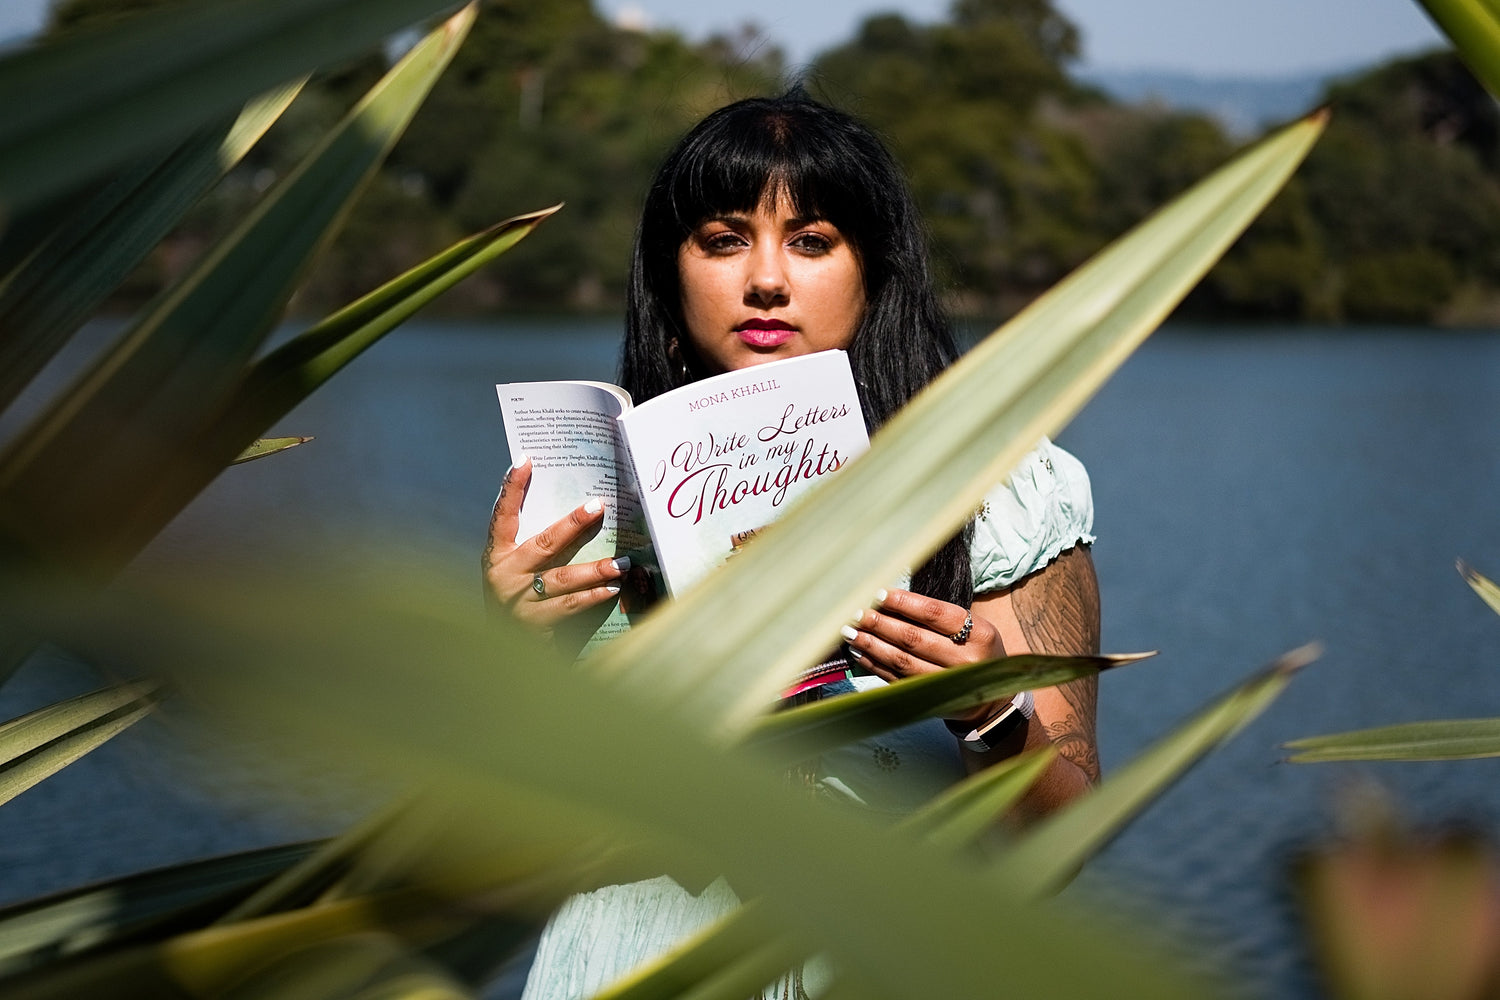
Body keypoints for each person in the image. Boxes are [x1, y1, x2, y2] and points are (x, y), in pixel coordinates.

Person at [482, 91, 1100, 999]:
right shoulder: (582, 498)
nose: (765, 280)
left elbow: (1066, 843)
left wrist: (985, 712)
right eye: (725, 238)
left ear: (873, 267)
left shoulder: (1005, 489)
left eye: (811, 241)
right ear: (671, 268)